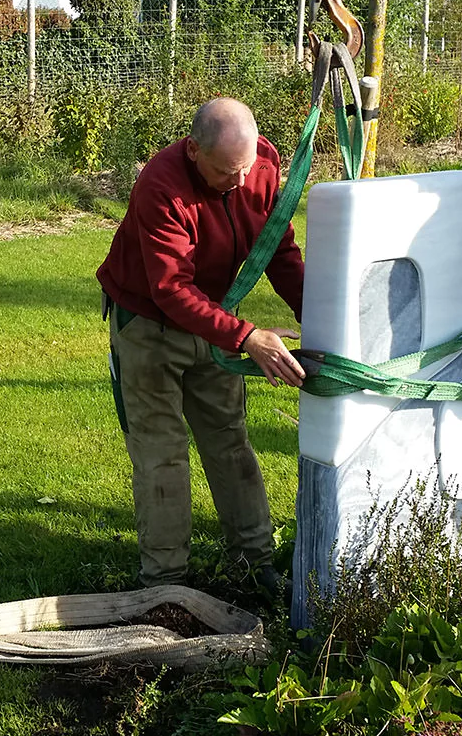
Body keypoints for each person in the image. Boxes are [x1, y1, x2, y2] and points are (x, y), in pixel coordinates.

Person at [97, 97, 306, 591]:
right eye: (223, 172)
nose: (237, 183)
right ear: (193, 151)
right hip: (148, 327)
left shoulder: (262, 168)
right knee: (161, 453)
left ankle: (256, 568)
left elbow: (278, 249)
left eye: (246, 169)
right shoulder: (160, 185)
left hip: (215, 319)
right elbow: (170, 289)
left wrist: (317, 317)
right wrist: (247, 336)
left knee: (230, 443)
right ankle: (165, 587)